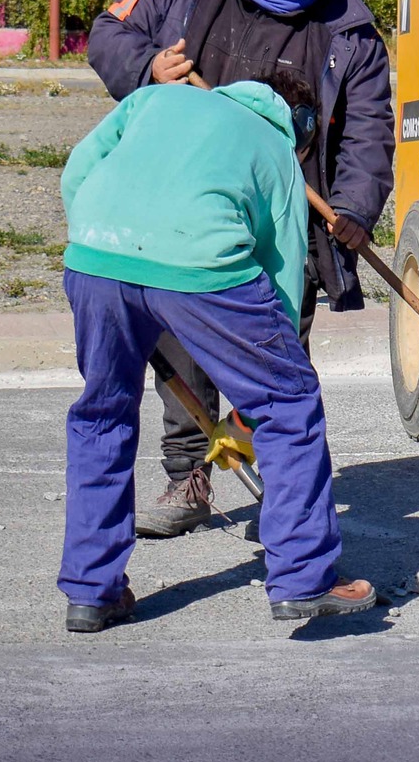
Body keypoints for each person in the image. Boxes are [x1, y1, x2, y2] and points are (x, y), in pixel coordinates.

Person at [89, 0, 393, 539]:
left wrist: (357, 208)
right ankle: (188, 474)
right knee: (183, 339)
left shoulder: (349, 30)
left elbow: (369, 128)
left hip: (287, 213)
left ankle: (281, 499)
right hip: (190, 200)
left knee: (276, 354)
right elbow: (107, 32)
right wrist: (147, 67)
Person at [57, 66, 377, 631]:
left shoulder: (156, 99)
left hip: (94, 258)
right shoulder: (278, 148)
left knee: (101, 415)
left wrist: (118, 264)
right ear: (300, 125)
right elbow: (279, 279)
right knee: (289, 403)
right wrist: (259, 397)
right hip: (200, 265)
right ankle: (304, 578)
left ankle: (92, 590)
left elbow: (78, 173)